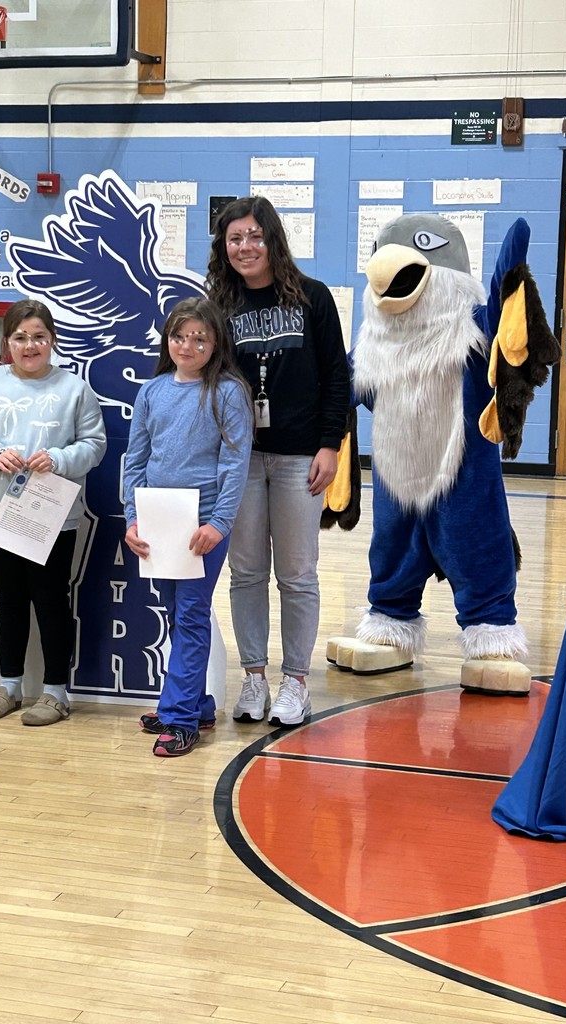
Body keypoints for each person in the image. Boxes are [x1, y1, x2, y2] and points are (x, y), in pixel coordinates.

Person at [206, 196, 350, 727]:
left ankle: (296, 683)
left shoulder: (312, 298)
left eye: (254, 236)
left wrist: (330, 443)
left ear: (273, 239)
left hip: (298, 458)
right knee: (245, 573)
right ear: (224, 247)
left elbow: (337, 375)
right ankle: (252, 679)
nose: (245, 247)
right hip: (240, 461)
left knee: (297, 573)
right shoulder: (218, 303)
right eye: (235, 239)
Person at [0, 299, 107, 726]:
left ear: (52, 341)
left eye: (39, 336)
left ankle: (56, 693)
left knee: (52, 600)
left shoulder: (74, 389)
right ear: (6, 343)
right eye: (20, 337)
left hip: (53, 516)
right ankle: (9, 687)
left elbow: (94, 446)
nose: (30, 345)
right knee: (10, 601)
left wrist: (58, 459)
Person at [124, 296, 253, 757]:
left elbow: (235, 464)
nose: (188, 345)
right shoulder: (152, 392)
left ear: (216, 342)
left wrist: (219, 524)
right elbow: (135, 460)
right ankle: (195, 703)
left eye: (200, 337)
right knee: (178, 613)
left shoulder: (229, 392)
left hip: (202, 526)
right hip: (158, 521)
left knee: (194, 613)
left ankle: (179, 720)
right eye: (180, 336)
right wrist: (132, 518)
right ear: (168, 340)